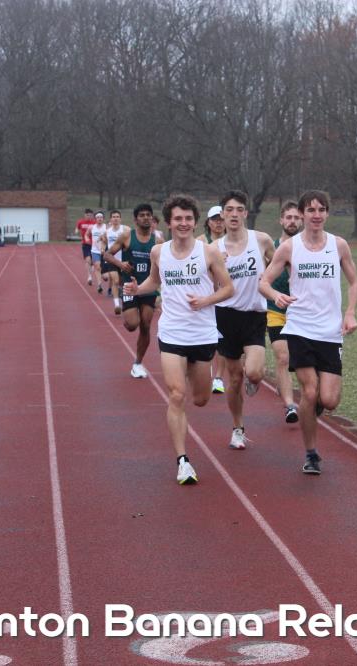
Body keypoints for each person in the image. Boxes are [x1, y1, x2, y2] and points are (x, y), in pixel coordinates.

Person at [125, 194, 233, 484]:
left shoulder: (208, 252)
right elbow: (154, 281)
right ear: (169, 222)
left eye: (188, 218)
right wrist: (138, 289)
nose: (183, 223)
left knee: (200, 399)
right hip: (172, 332)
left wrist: (206, 300)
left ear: (195, 222)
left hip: (202, 333)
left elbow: (228, 288)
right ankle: (183, 461)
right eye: (178, 219)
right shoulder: (158, 252)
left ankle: (199, 378)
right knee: (176, 394)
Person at [260, 190, 357, 475]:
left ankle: (311, 408)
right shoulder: (289, 247)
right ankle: (311, 454)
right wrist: (275, 295)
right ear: (303, 213)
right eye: (311, 210)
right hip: (300, 328)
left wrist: (350, 312)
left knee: (328, 400)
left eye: (321, 210)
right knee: (309, 390)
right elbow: (263, 282)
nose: (316, 215)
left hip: (330, 331)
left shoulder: (338, 245)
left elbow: (354, 282)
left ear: (327, 213)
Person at [213, 190, 275, 450]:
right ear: (222, 214)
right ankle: (237, 428)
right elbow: (208, 285)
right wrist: (216, 269)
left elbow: (278, 265)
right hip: (226, 316)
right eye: (229, 210)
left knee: (254, 372)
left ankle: (254, 378)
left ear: (246, 213)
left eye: (239, 209)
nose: (234, 214)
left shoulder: (261, 240)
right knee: (235, 378)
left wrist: (269, 280)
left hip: (254, 315)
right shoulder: (213, 249)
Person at [105, 203, 159, 379]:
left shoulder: (158, 241)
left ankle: (138, 363)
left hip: (148, 288)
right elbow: (107, 254)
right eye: (142, 215)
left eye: (148, 215)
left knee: (146, 325)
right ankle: (128, 318)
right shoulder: (127, 236)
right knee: (132, 325)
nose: (146, 218)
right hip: (129, 286)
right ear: (136, 219)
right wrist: (121, 265)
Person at [266, 201, 303, 423]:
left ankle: (306, 396)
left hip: (303, 312)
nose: (292, 221)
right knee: (283, 357)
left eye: (296, 218)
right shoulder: (271, 247)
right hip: (276, 310)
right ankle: (290, 405)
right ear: (281, 220)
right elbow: (261, 279)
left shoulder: (308, 248)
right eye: (288, 217)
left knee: (302, 361)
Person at [198, 205, 227, 394]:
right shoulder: (200, 242)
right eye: (215, 219)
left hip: (225, 297)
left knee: (222, 341)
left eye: (221, 219)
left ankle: (218, 378)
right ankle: (204, 369)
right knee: (206, 338)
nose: (218, 223)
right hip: (206, 297)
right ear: (208, 222)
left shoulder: (231, 241)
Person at [103, 210, 129, 314]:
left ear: (120, 219)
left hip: (124, 260)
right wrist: (102, 249)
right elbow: (104, 242)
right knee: (115, 281)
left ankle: (125, 302)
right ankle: (117, 305)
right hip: (112, 260)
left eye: (117, 216)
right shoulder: (107, 231)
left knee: (123, 283)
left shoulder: (126, 229)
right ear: (110, 219)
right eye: (113, 217)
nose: (115, 218)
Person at [75, 208, 96, 285]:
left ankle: (92, 266)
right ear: (85, 215)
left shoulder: (94, 222)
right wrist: (76, 231)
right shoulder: (81, 222)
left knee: (93, 261)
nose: (89, 216)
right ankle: (89, 277)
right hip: (85, 244)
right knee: (88, 260)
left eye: (90, 215)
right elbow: (77, 228)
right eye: (87, 215)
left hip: (94, 244)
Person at [89, 211, 108, 294]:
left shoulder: (107, 227)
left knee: (105, 274)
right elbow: (87, 234)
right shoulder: (92, 227)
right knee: (97, 266)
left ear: (103, 218)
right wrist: (86, 238)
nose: (99, 219)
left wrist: (104, 239)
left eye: (101, 217)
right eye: (98, 217)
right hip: (95, 250)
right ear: (95, 219)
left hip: (105, 251)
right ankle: (99, 285)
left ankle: (104, 275)